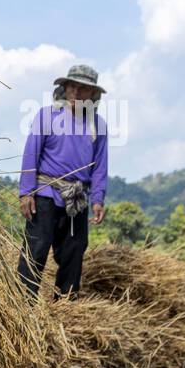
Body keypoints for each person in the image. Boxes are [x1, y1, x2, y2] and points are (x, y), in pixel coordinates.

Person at [17, 63, 110, 297]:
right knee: (36, 249)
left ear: (93, 94)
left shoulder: (97, 125)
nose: (76, 93)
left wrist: (98, 198)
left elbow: (100, 166)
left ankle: (67, 305)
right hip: (46, 195)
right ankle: (20, 304)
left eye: (83, 89)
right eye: (72, 87)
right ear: (65, 87)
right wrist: (26, 192)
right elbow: (31, 153)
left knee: (73, 251)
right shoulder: (47, 116)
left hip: (76, 199)